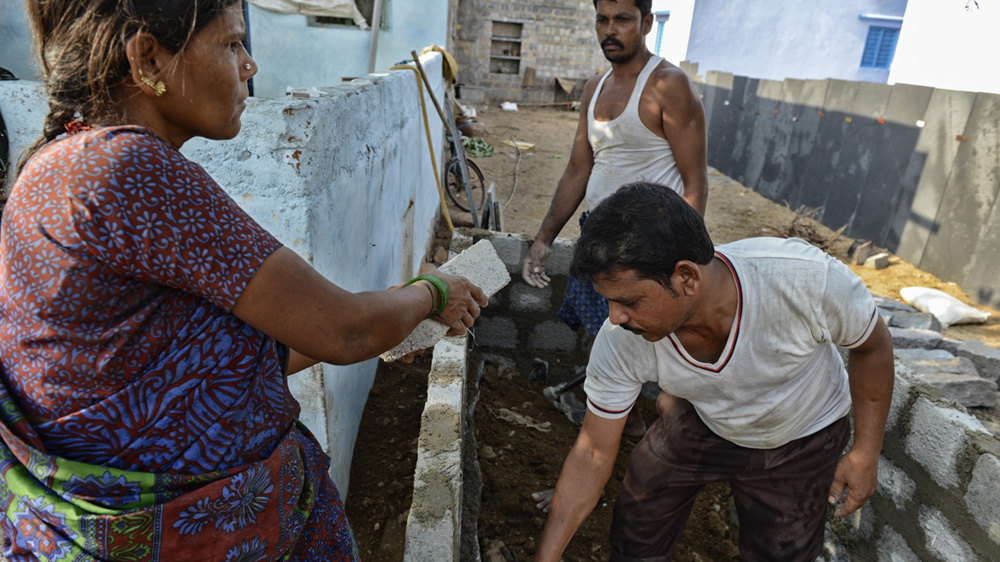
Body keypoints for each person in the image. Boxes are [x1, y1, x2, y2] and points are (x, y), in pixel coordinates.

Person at [0, 2, 487, 561]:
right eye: (231, 44)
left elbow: (217, 367)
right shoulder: (130, 173)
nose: (250, 65)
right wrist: (434, 292)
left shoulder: (51, 166)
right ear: (146, 57)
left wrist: (399, 315)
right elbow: (344, 331)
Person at [534, 182, 895, 562]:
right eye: (608, 300)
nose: (615, 317)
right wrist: (547, 557)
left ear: (686, 277)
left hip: (802, 433)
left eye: (629, 301)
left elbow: (872, 346)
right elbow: (591, 454)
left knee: (780, 553)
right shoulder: (623, 338)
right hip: (702, 416)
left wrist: (865, 452)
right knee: (640, 517)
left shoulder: (803, 280)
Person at [521, 0, 707, 437]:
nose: (610, 29)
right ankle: (625, 418)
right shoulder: (594, 88)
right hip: (598, 237)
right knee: (603, 330)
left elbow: (695, 183)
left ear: (645, 23)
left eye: (622, 20)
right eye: (602, 20)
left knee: (643, 334)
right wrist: (544, 238)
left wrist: (683, 257)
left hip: (649, 247)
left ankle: (655, 428)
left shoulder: (667, 85)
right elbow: (577, 170)